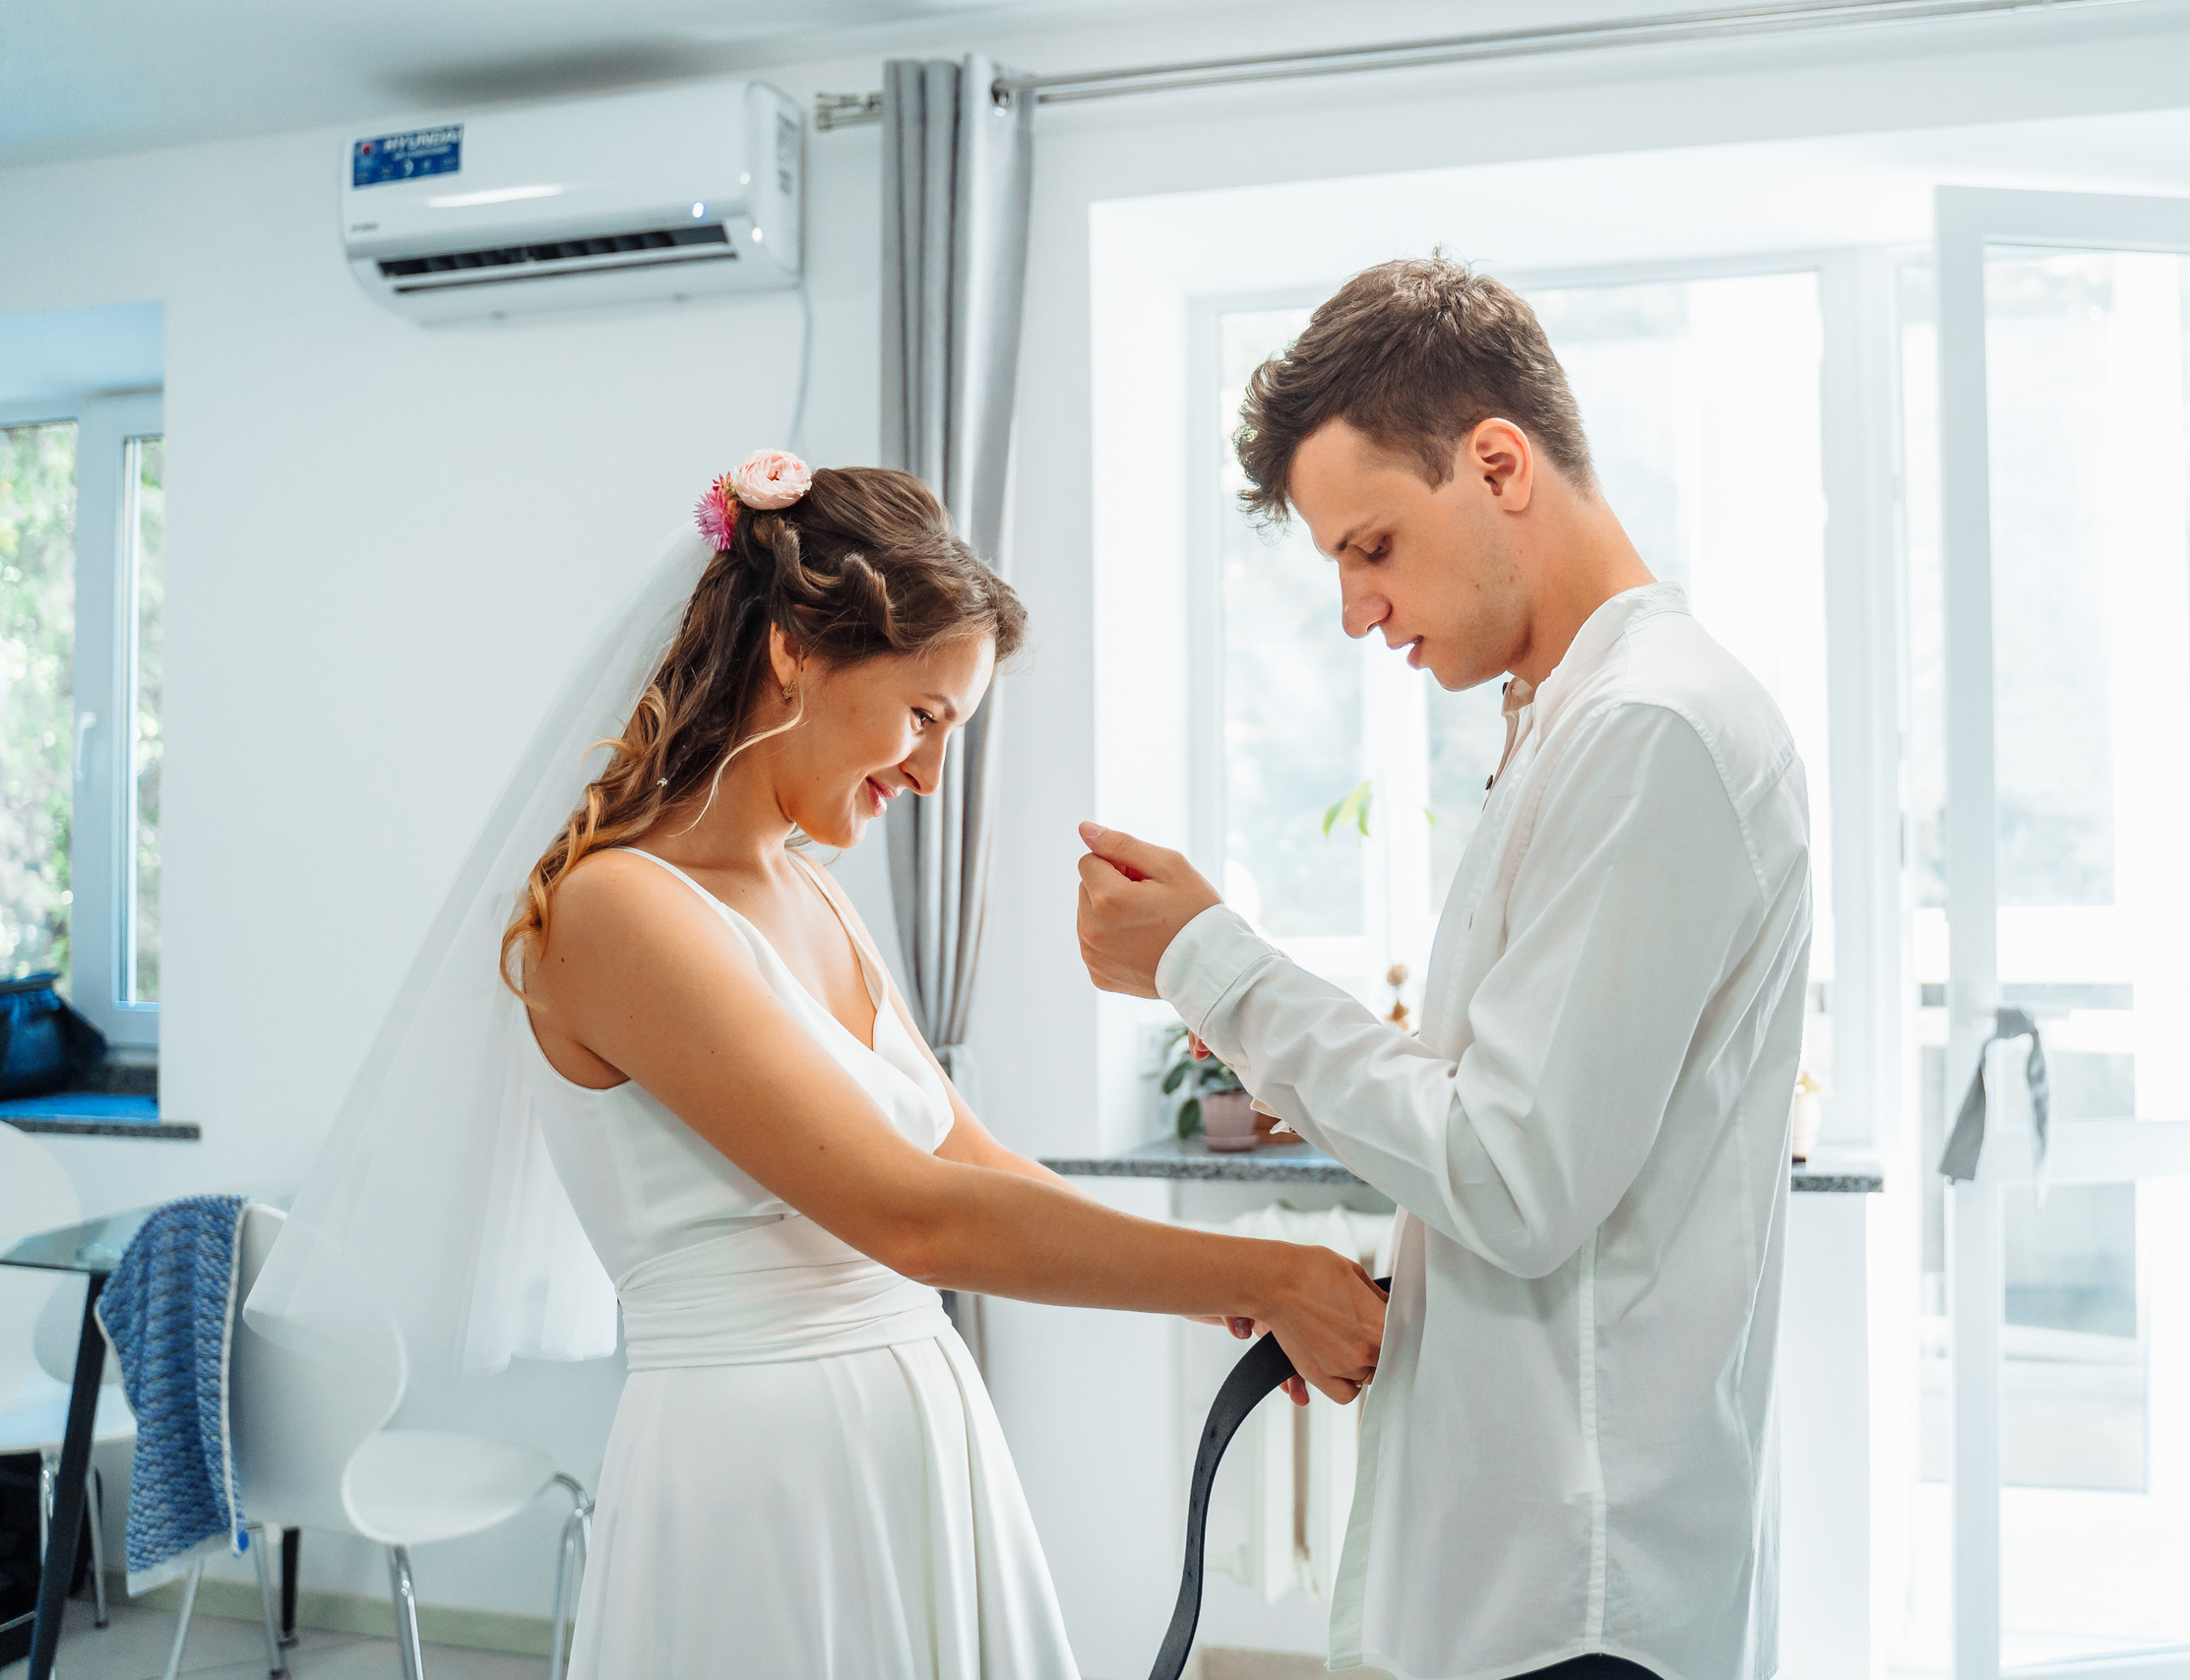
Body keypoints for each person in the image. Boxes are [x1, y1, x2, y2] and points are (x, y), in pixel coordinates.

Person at [258, 454, 1385, 1680]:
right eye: (921, 717)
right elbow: (911, 1213)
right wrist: (1259, 1274)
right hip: (761, 1475)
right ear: (795, 648)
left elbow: (967, 1159)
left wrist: (1217, 1278)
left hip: (916, 1433)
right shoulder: (616, 913)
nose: (929, 775)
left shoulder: (811, 893)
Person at [1075, 257, 1812, 1680]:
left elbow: (1513, 1174)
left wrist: (1205, 959)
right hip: (1531, 1570)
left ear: (1496, 463)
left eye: (1373, 545)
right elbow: (1543, 1149)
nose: (1357, 609)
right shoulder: (1575, 722)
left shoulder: (1649, 730)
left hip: (1575, 1603)